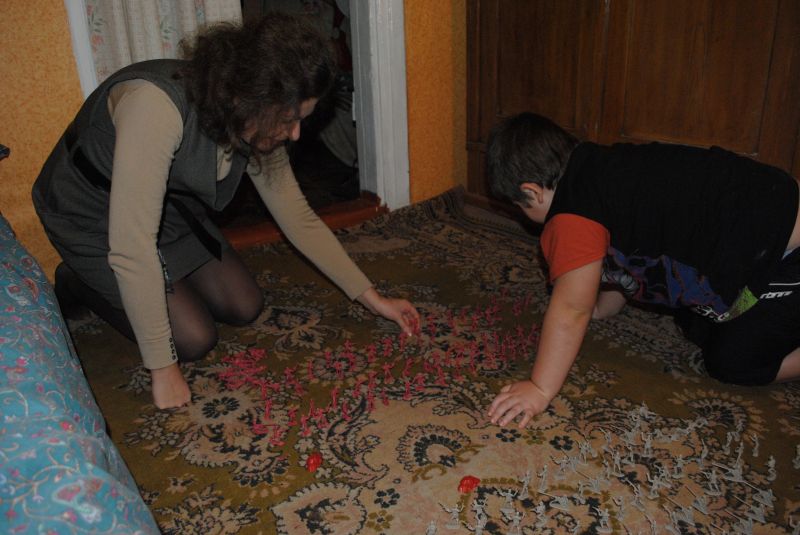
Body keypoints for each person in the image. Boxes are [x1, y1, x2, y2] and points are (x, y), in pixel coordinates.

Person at [32, 13, 418, 410]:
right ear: (255, 98)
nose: (296, 133)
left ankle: (162, 280)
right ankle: (79, 281)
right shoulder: (155, 108)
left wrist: (373, 298)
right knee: (193, 338)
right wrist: (162, 369)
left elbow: (297, 216)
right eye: (290, 120)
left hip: (165, 211)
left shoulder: (253, 115)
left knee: (244, 304)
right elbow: (132, 247)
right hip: (88, 214)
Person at [485, 112, 800, 428]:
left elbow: (571, 309)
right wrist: (604, 305)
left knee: (733, 362)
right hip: (767, 212)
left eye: (519, 206)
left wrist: (540, 388)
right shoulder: (601, 171)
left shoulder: (571, 216)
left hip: (781, 248)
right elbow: (633, 246)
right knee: (696, 321)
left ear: (532, 192)